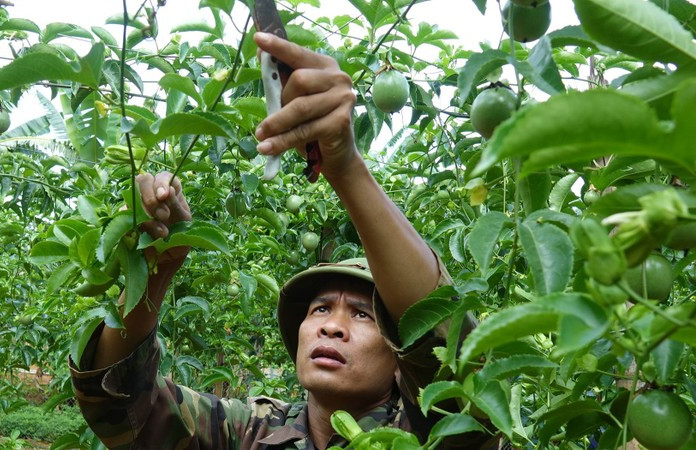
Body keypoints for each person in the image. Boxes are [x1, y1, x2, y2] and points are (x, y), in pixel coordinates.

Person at [69, 32, 496, 449]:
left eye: (364, 315)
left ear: (401, 357)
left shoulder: (433, 431)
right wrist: (159, 266)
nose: (331, 325)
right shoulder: (248, 432)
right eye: (321, 308)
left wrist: (345, 167)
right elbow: (120, 405)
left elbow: (448, 347)